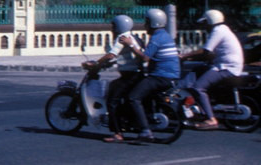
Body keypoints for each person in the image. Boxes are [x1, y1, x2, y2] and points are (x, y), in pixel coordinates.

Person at [118, 8, 180, 143]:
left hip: (160, 76)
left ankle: (145, 131)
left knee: (133, 97)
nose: (145, 25)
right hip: (171, 75)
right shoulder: (166, 35)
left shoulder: (156, 38)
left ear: (153, 23)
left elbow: (145, 58)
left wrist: (131, 45)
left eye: (147, 22)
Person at [180, 9, 244, 131]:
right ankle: (204, 109)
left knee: (198, 87)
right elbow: (211, 54)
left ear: (209, 21)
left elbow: (206, 51)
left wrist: (184, 56)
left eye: (205, 23)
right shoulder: (224, 29)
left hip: (227, 67)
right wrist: (193, 58)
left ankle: (211, 119)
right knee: (200, 69)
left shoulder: (218, 30)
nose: (204, 26)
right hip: (228, 65)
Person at [98, 14, 143, 143]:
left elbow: (111, 54)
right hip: (138, 74)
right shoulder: (134, 37)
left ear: (119, 26)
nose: (112, 28)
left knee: (111, 100)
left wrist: (96, 63)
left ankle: (117, 133)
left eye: (113, 25)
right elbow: (125, 56)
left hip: (129, 75)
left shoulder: (122, 37)